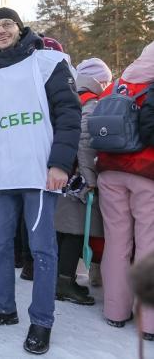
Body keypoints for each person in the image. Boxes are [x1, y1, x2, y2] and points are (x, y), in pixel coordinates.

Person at [0, 7, 81, 355]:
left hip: (37, 171)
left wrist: (61, 163)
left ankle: (41, 320)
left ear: (19, 28)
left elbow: (69, 113)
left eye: (7, 24)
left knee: (42, 248)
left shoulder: (46, 62)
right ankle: (3, 307)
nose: (1, 31)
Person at [96, 41, 154, 340]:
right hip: (147, 174)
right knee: (148, 246)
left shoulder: (118, 85)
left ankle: (114, 311)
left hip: (109, 171)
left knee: (117, 242)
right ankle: (149, 321)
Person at [53, 58, 111, 306]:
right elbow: (84, 143)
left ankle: (62, 279)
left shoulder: (67, 96)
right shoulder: (91, 103)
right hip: (76, 178)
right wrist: (89, 179)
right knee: (75, 232)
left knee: (64, 230)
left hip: (60, 173)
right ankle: (64, 283)